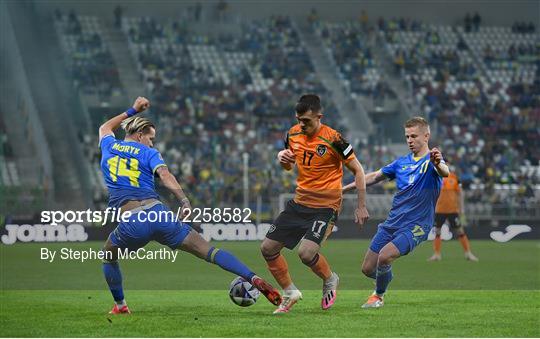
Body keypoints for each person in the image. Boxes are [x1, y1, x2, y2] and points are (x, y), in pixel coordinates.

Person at [99, 97, 281, 314]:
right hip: (159, 214)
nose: (152, 143)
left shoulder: (109, 145)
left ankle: (121, 306)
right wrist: (184, 200)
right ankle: (252, 277)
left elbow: (105, 127)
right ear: (139, 135)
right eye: (151, 138)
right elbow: (165, 175)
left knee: (108, 256)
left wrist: (132, 110)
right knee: (208, 250)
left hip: (132, 221)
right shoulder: (149, 153)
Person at [260, 94, 369, 314]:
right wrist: (283, 161)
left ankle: (330, 279)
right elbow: (289, 166)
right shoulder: (292, 134)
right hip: (299, 203)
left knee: (306, 253)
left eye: (307, 121)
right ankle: (290, 293)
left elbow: (358, 170)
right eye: (299, 120)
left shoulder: (335, 139)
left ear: (319, 117)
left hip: (326, 206)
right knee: (268, 248)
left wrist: (361, 205)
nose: (302, 125)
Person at [343, 116, 449, 308]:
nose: (410, 140)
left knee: (384, 256)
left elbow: (444, 171)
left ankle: (378, 296)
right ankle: (385, 275)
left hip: (417, 225)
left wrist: (439, 162)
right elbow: (374, 177)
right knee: (367, 268)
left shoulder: (431, 162)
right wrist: (342, 190)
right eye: (407, 136)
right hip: (392, 223)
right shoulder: (400, 163)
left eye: (414, 136)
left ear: (426, 136)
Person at [428, 166, 478, 262]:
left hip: (453, 210)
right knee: (437, 231)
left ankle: (468, 253)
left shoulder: (455, 178)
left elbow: (460, 193)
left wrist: (461, 208)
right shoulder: (435, 178)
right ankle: (437, 254)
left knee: (460, 231)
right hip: (439, 210)